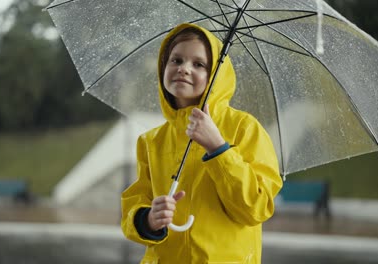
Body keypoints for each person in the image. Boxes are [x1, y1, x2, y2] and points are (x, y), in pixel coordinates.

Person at [121, 23, 283, 264]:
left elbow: (256, 208)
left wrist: (218, 148)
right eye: (176, 60)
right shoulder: (151, 141)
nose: (184, 69)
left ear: (215, 77)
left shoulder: (245, 128)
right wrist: (149, 219)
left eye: (199, 64)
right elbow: (134, 206)